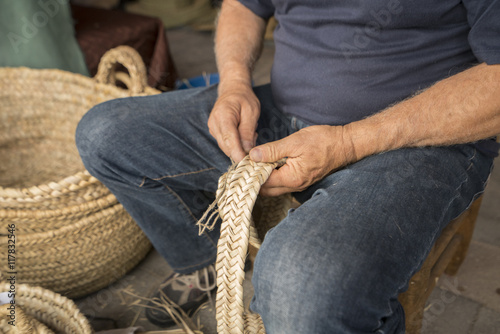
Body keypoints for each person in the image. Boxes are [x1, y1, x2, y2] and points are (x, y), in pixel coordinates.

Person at [76, 0, 500, 332]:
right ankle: (205, 264)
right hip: (280, 111)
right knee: (105, 134)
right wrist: (234, 84)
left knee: (299, 280)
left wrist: (348, 142)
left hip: (412, 140)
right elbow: (244, 4)